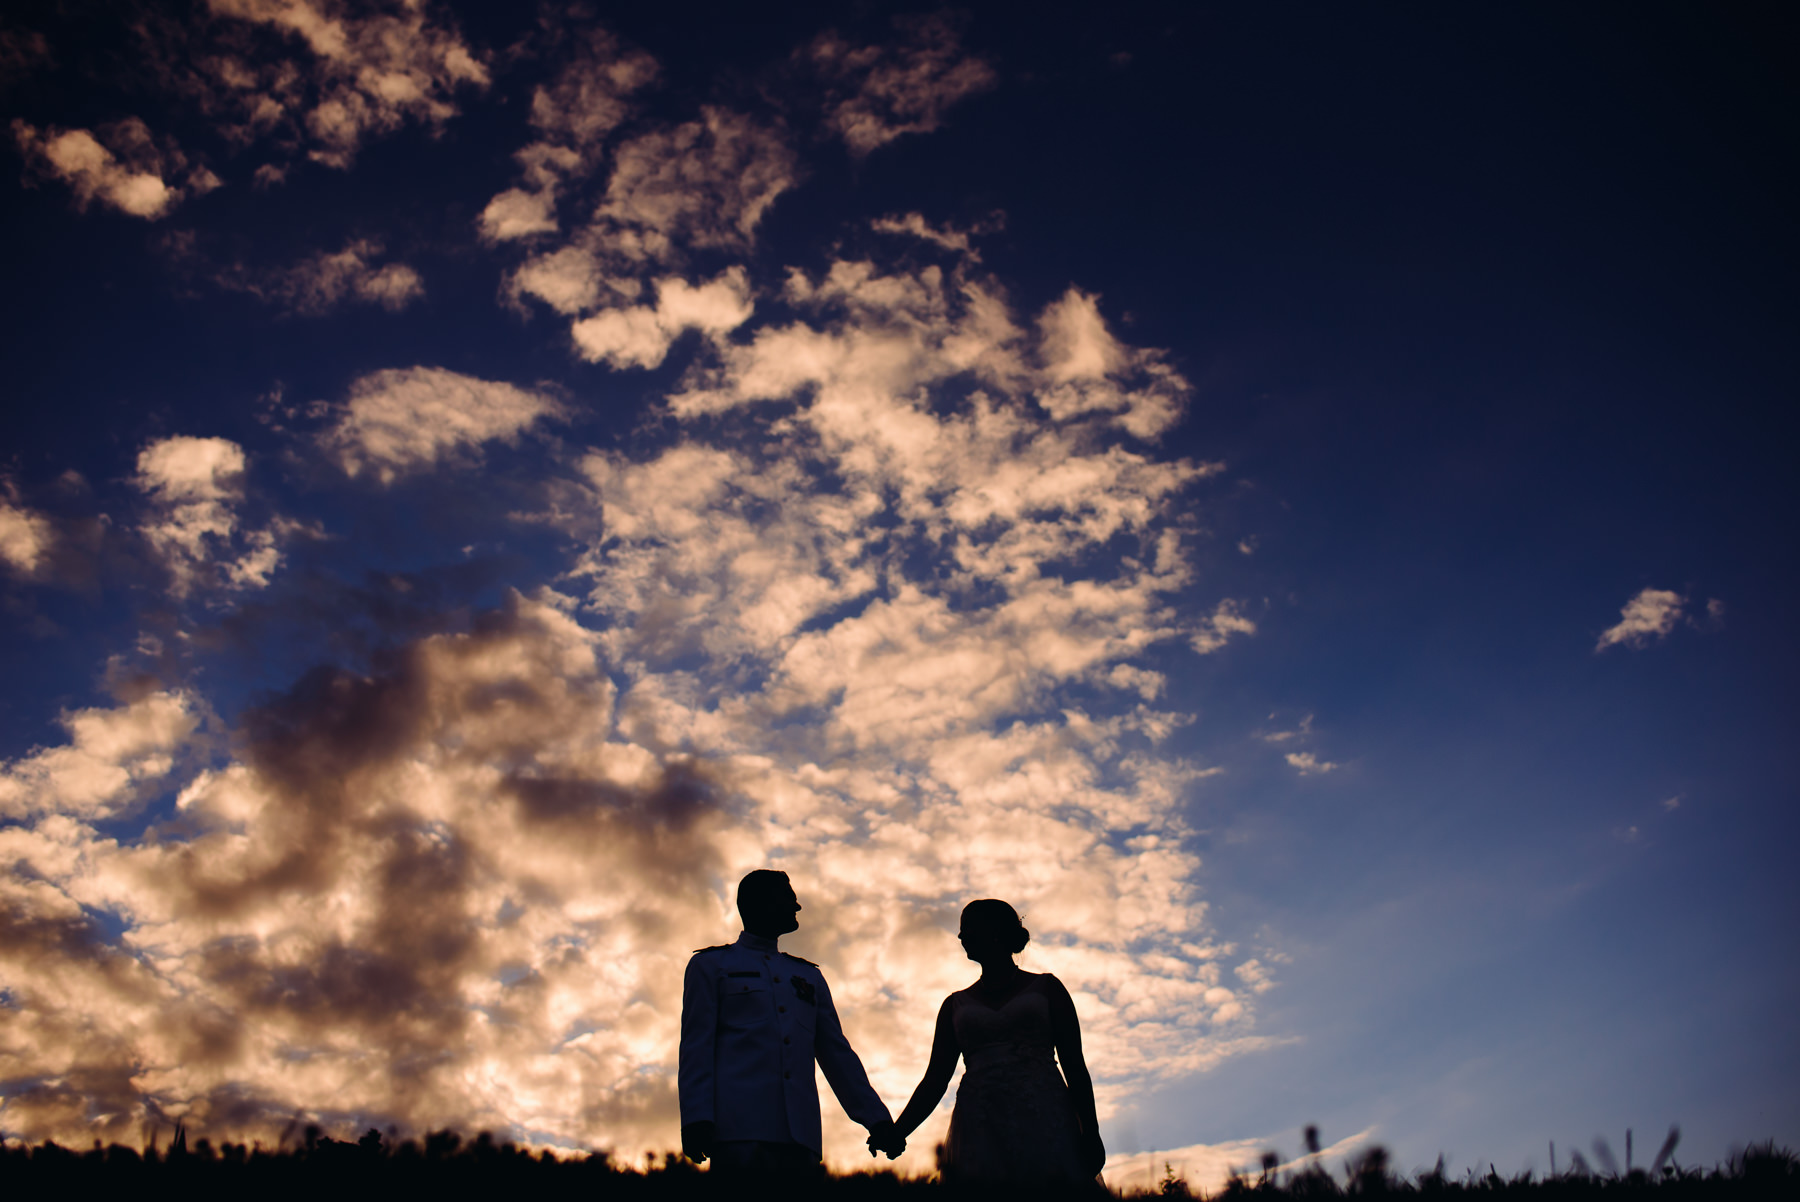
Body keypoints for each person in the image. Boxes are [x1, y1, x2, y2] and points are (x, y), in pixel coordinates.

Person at [679, 869, 904, 1178]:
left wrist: (877, 1120)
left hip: (799, 1137)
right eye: (788, 897)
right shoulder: (711, 966)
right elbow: (696, 1047)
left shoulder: (808, 976)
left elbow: (837, 1055)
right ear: (760, 902)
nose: (797, 906)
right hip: (737, 1132)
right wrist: (696, 1117)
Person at [890, 899, 1105, 1187]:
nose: (960, 936)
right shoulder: (954, 1006)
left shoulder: (1047, 989)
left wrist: (1090, 1132)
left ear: (994, 930)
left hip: (1045, 1114)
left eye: (967, 927)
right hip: (980, 1122)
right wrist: (898, 1131)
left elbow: (1075, 1066)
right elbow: (934, 1080)